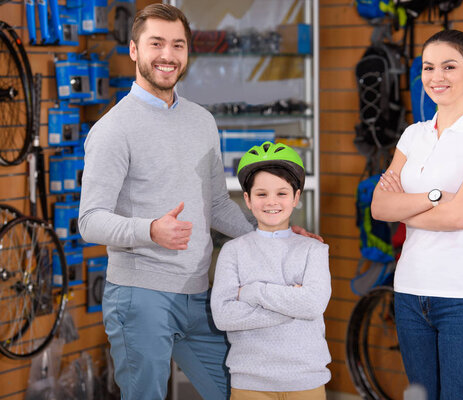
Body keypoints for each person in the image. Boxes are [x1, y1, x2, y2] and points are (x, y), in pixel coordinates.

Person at [78, 4, 318, 400]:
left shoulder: (201, 120)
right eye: (156, 43)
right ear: (135, 50)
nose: (167, 55)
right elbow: (90, 221)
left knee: (239, 391)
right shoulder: (113, 130)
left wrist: (280, 237)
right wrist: (150, 230)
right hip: (140, 297)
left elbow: (217, 205)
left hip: (201, 293)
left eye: (178, 45)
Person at [371, 29, 463, 399]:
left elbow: (461, 216)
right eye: (429, 68)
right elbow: (379, 206)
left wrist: (407, 208)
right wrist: (435, 196)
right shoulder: (413, 135)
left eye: (449, 66)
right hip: (409, 293)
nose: (437, 77)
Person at [210, 141, 332, 400]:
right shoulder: (233, 251)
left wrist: (253, 292)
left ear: (296, 197)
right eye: (261, 194)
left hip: (306, 379)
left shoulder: (314, 250)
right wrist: (292, 304)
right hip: (249, 381)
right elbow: (223, 316)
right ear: (247, 199)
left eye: (282, 193)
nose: (271, 202)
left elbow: (312, 306)